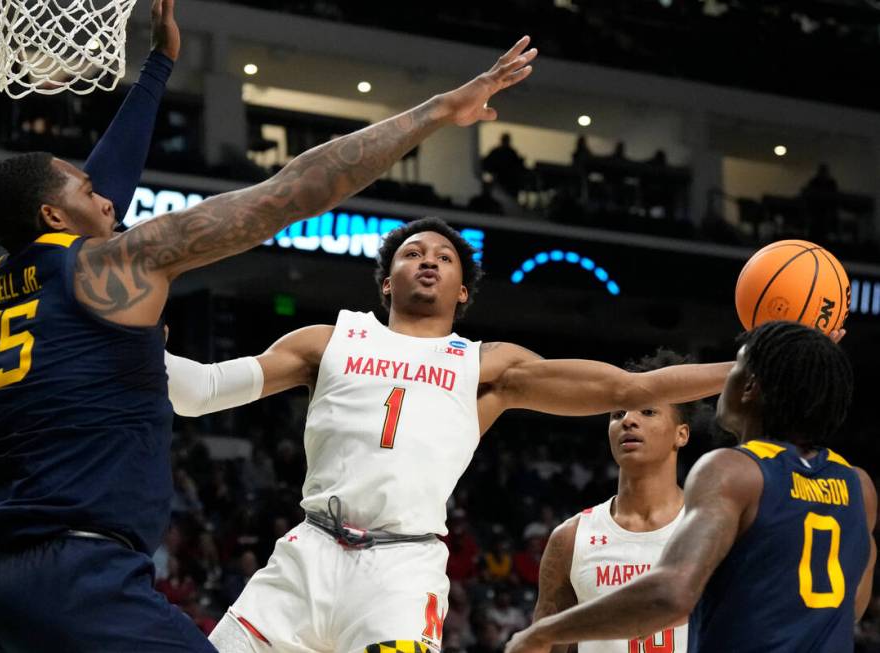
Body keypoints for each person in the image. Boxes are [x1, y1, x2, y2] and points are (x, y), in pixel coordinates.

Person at [0, 20, 539, 651]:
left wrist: (158, 68)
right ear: (55, 214)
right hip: (75, 573)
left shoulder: (9, 278)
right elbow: (291, 191)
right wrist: (440, 111)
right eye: (92, 191)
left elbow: (93, 191)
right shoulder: (113, 265)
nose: (110, 201)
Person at [158, 216, 734, 653]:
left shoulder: (485, 366)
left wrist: (743, 370)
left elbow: (630, 389)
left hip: (400, 572)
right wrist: (132, 347)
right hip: (308, 553)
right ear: (387, 283)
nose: (428, 260)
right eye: (412, 253)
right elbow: (201, 392)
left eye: (444, 257)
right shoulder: (329, 340)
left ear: (462, 292)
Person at [506, 321, 875, 653]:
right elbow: (853, 605)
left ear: (749, 387)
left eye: (736, 368)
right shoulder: (859, 486)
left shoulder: (733, 470)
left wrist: (543, 633)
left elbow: (670, 594)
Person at [533, 349, 700, 653]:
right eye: (617, 414)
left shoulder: (711, 531)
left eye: (647, 412)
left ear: (682, 434)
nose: (628, 421)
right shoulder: (570, 538)